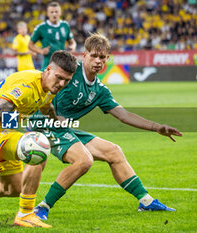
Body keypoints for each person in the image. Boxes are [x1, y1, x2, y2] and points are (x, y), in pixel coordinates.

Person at [27, 33, 183, 221]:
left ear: (107, 59)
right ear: (84, 56)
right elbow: (43, 81)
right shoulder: (69, 71)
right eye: (93, 56)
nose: (98, 61)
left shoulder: (99, 90)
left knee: (113, 151)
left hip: (65, 128)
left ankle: (146, 201)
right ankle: (42, 207)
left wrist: (157, 127)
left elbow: (124, 115)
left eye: (102, 57)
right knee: (84, 161)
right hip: (45, 125)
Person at [0, 51, 78, 228]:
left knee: (13, 189)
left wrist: (57, 121)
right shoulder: (26, 85)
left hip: (7, 131)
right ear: (48, 69)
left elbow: (47, 107)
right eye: (59, 77)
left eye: (67, 80)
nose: (62, 84)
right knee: (38, 147)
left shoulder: (49, 87)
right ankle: (25, 214)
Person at [29, 1, 76, 70]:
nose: (54, 14)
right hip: (48, 63)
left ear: (60, 13)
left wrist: (73, 46)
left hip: (63, 63)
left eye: (56, 12)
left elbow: (72, 42)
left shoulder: (65, 25)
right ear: (48, 14)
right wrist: (41, 51)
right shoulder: (41, 27)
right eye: (52, 12)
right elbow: (30, 45)